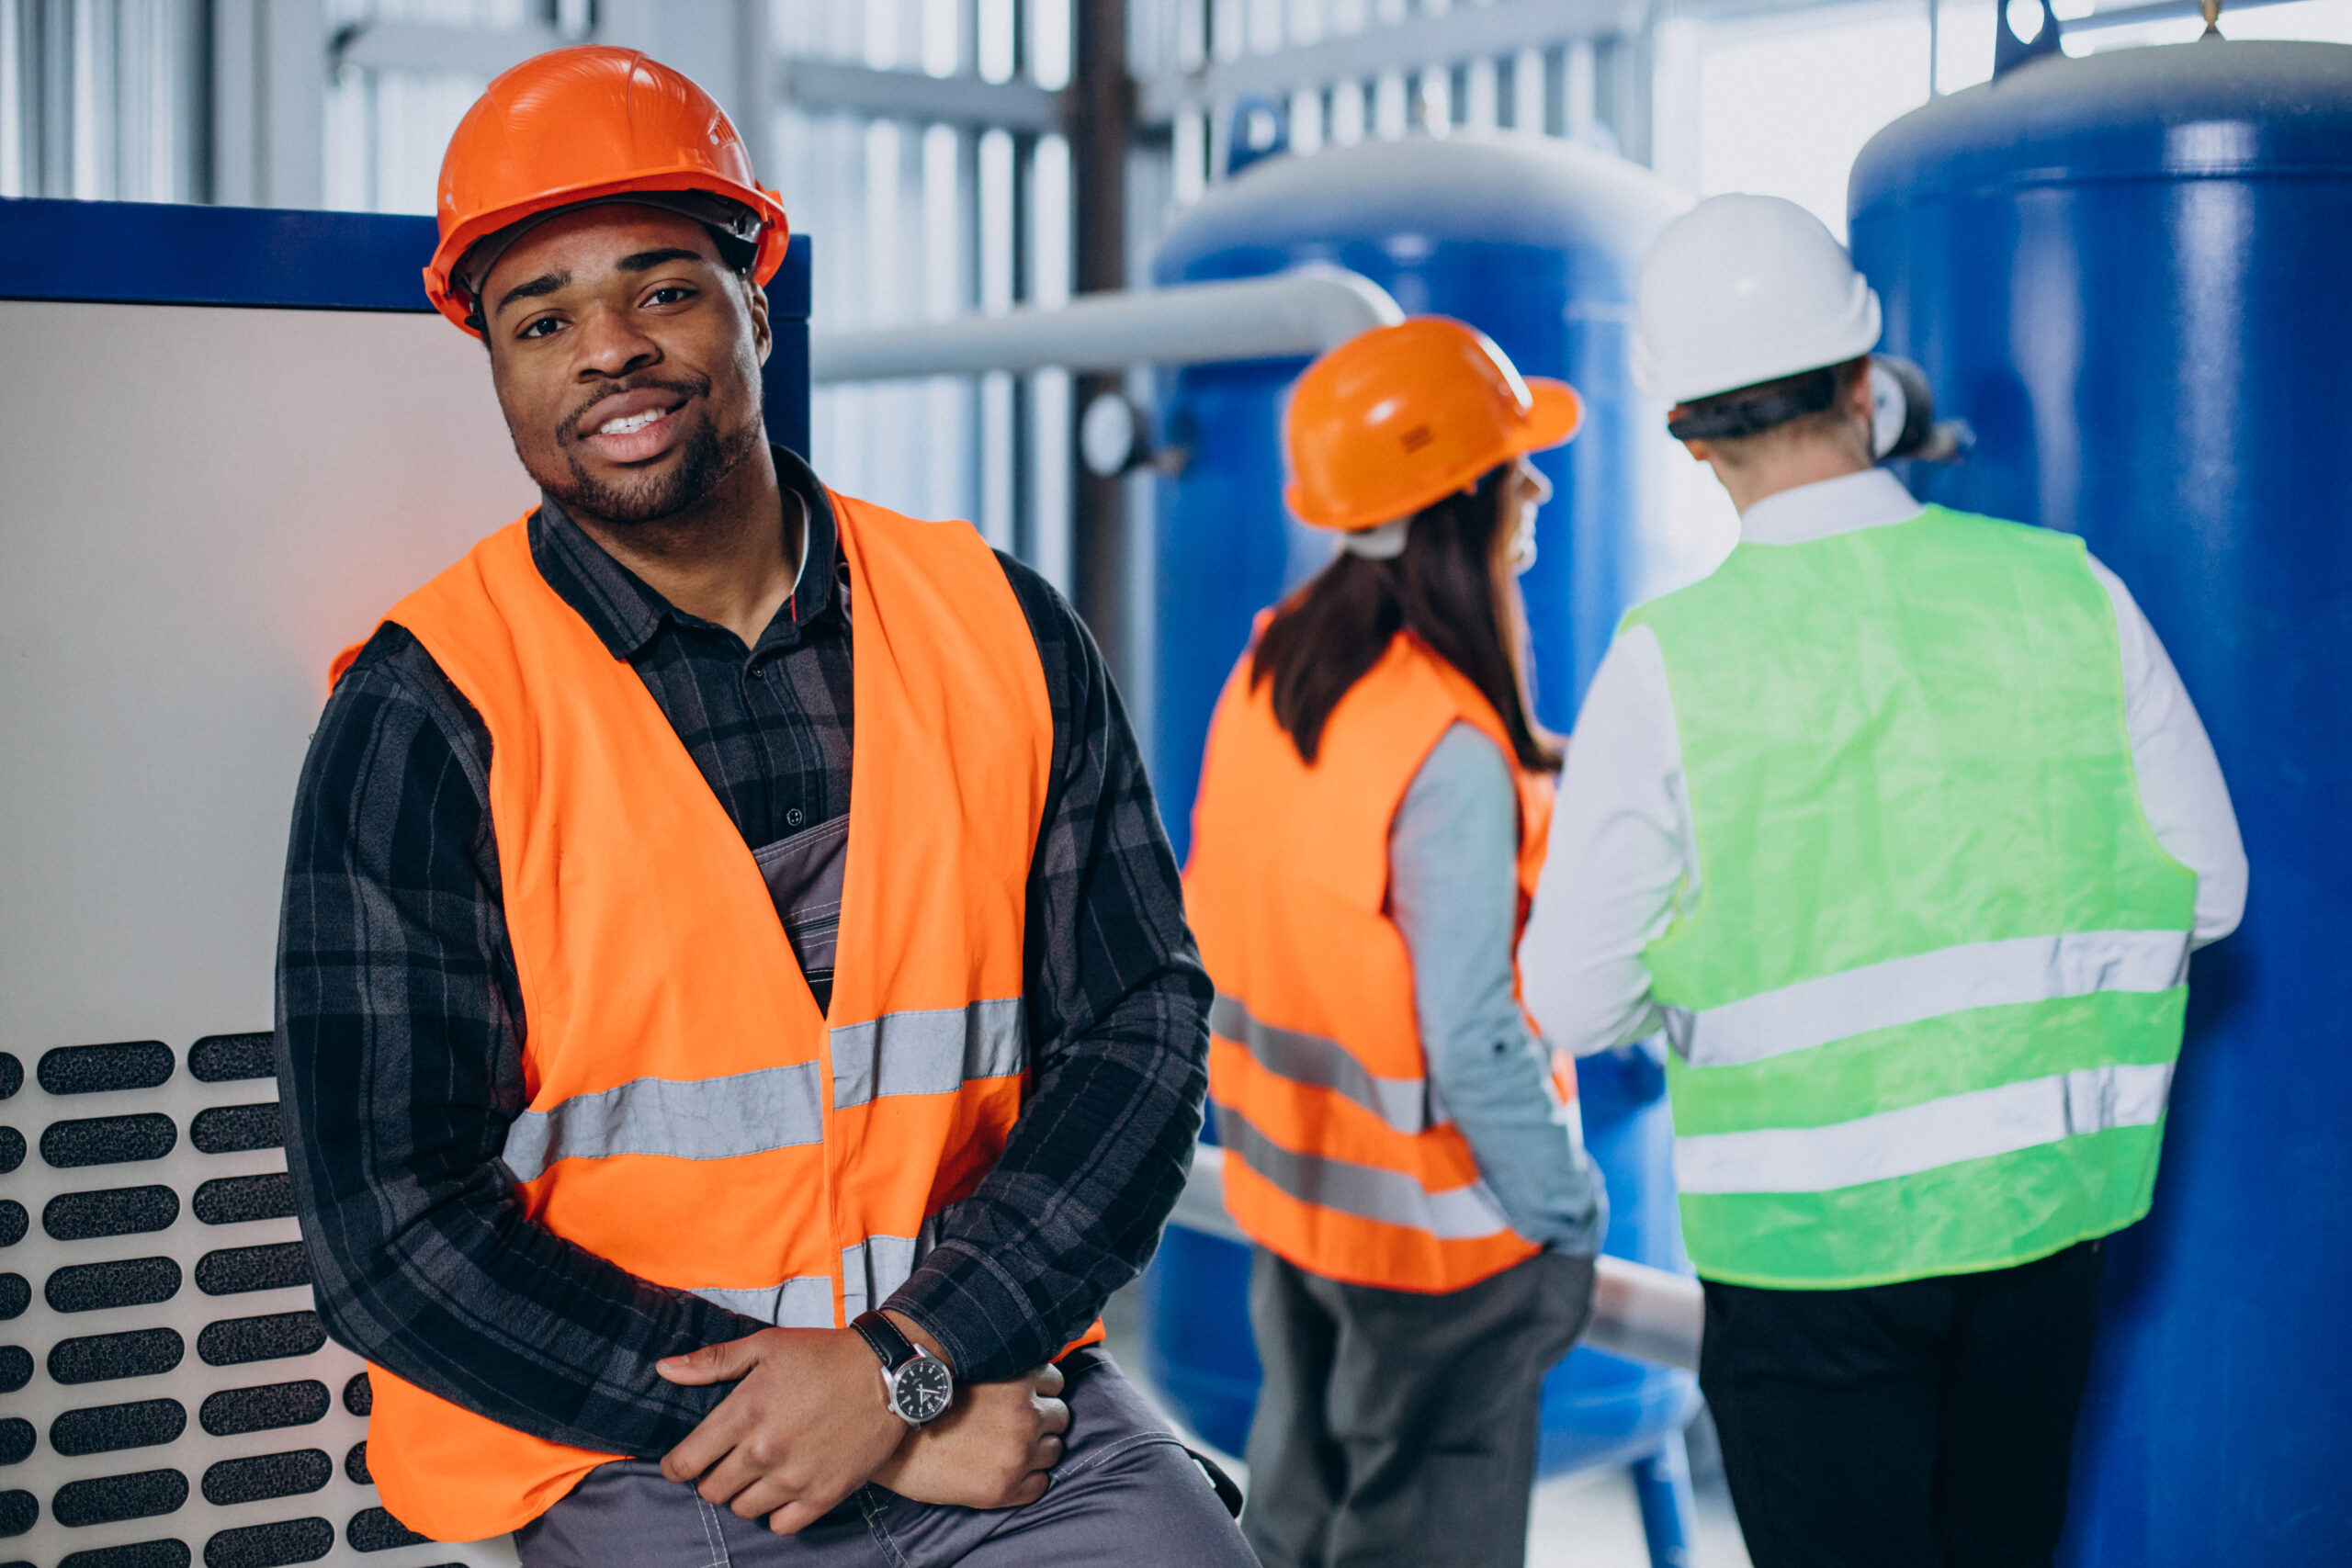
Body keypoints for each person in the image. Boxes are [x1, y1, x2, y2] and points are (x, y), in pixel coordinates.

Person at [275, 46, 1255, 1568]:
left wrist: (909, 1366)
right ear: (498, 369)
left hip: (980, 1368)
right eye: (543, 318)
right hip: (620, 1436)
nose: (608, 347)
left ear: (756, 303)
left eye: (663, 289)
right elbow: (388, 1230)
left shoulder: (997, 624)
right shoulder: (426, 714)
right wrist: (775, 1412)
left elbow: (1140, 1026)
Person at [1521, 193, 2248, 1568]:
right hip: (2045, 1235)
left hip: (1806, 1264)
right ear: (1869, 384)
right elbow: (2211, 894)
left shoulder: (1670, 660)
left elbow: (1570, 998)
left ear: (1686, 436)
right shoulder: (2068, 593)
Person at [1183, 319, 1606, 1568]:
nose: (1535, 483)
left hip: (1295, 1198)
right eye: (1510, 462)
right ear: (1448, 500)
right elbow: (1472, 1037)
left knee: (1302, 1527)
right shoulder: (1449, 749)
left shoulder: (1279, 665)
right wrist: (1566, 1212)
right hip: (1444, 1249)